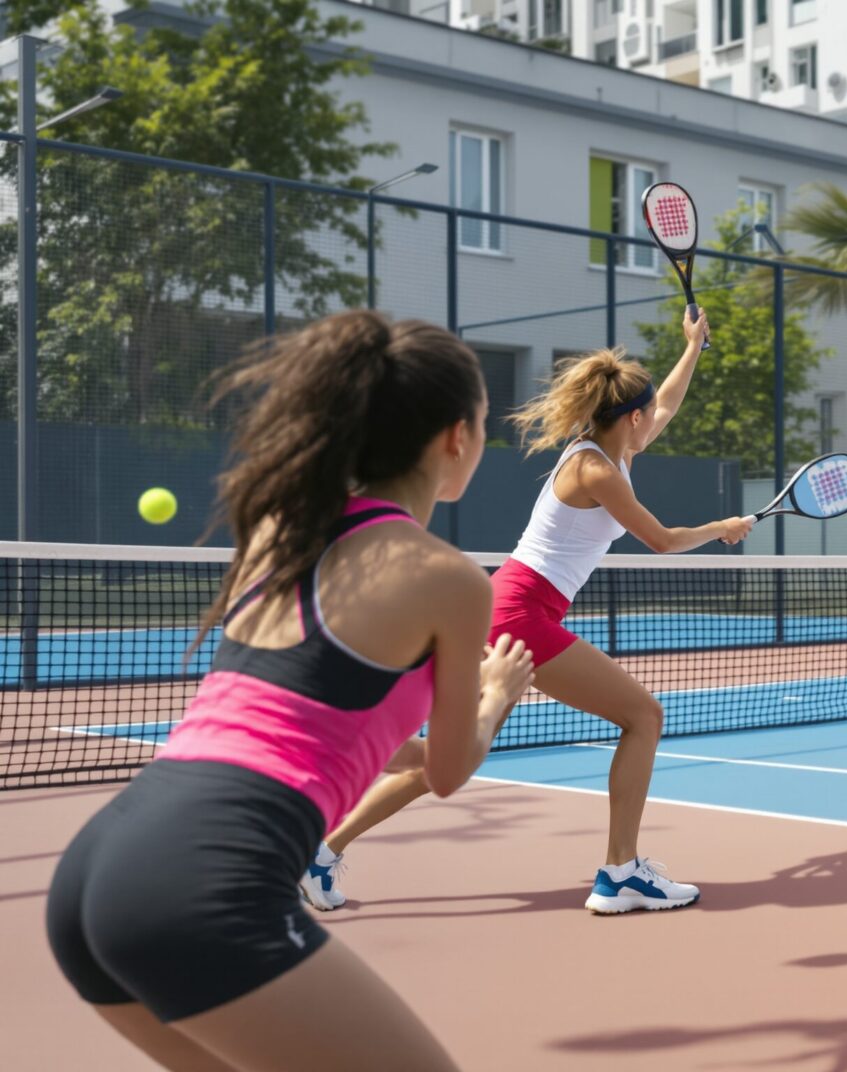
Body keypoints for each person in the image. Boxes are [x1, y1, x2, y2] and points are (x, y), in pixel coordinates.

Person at [46, 311, 534, 1071]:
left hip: (99, 868)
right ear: (455, 438)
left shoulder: (282, 529)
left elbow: (302, 718)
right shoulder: (448, 578)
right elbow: (447, 773)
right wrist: (497, 694)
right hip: (201, 880)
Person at [303, 307, 754, 915]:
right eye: (650, 415)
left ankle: (321, 854)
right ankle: (620, 873)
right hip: (521, 614)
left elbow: (665, 403)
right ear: (633, 418)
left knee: (451, 752)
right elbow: (664, 541)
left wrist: (693, 346)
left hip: (505, 608)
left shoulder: (611, 448)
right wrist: (722, 527)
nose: (659, 420)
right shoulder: (598, 468)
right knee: (644, 716)